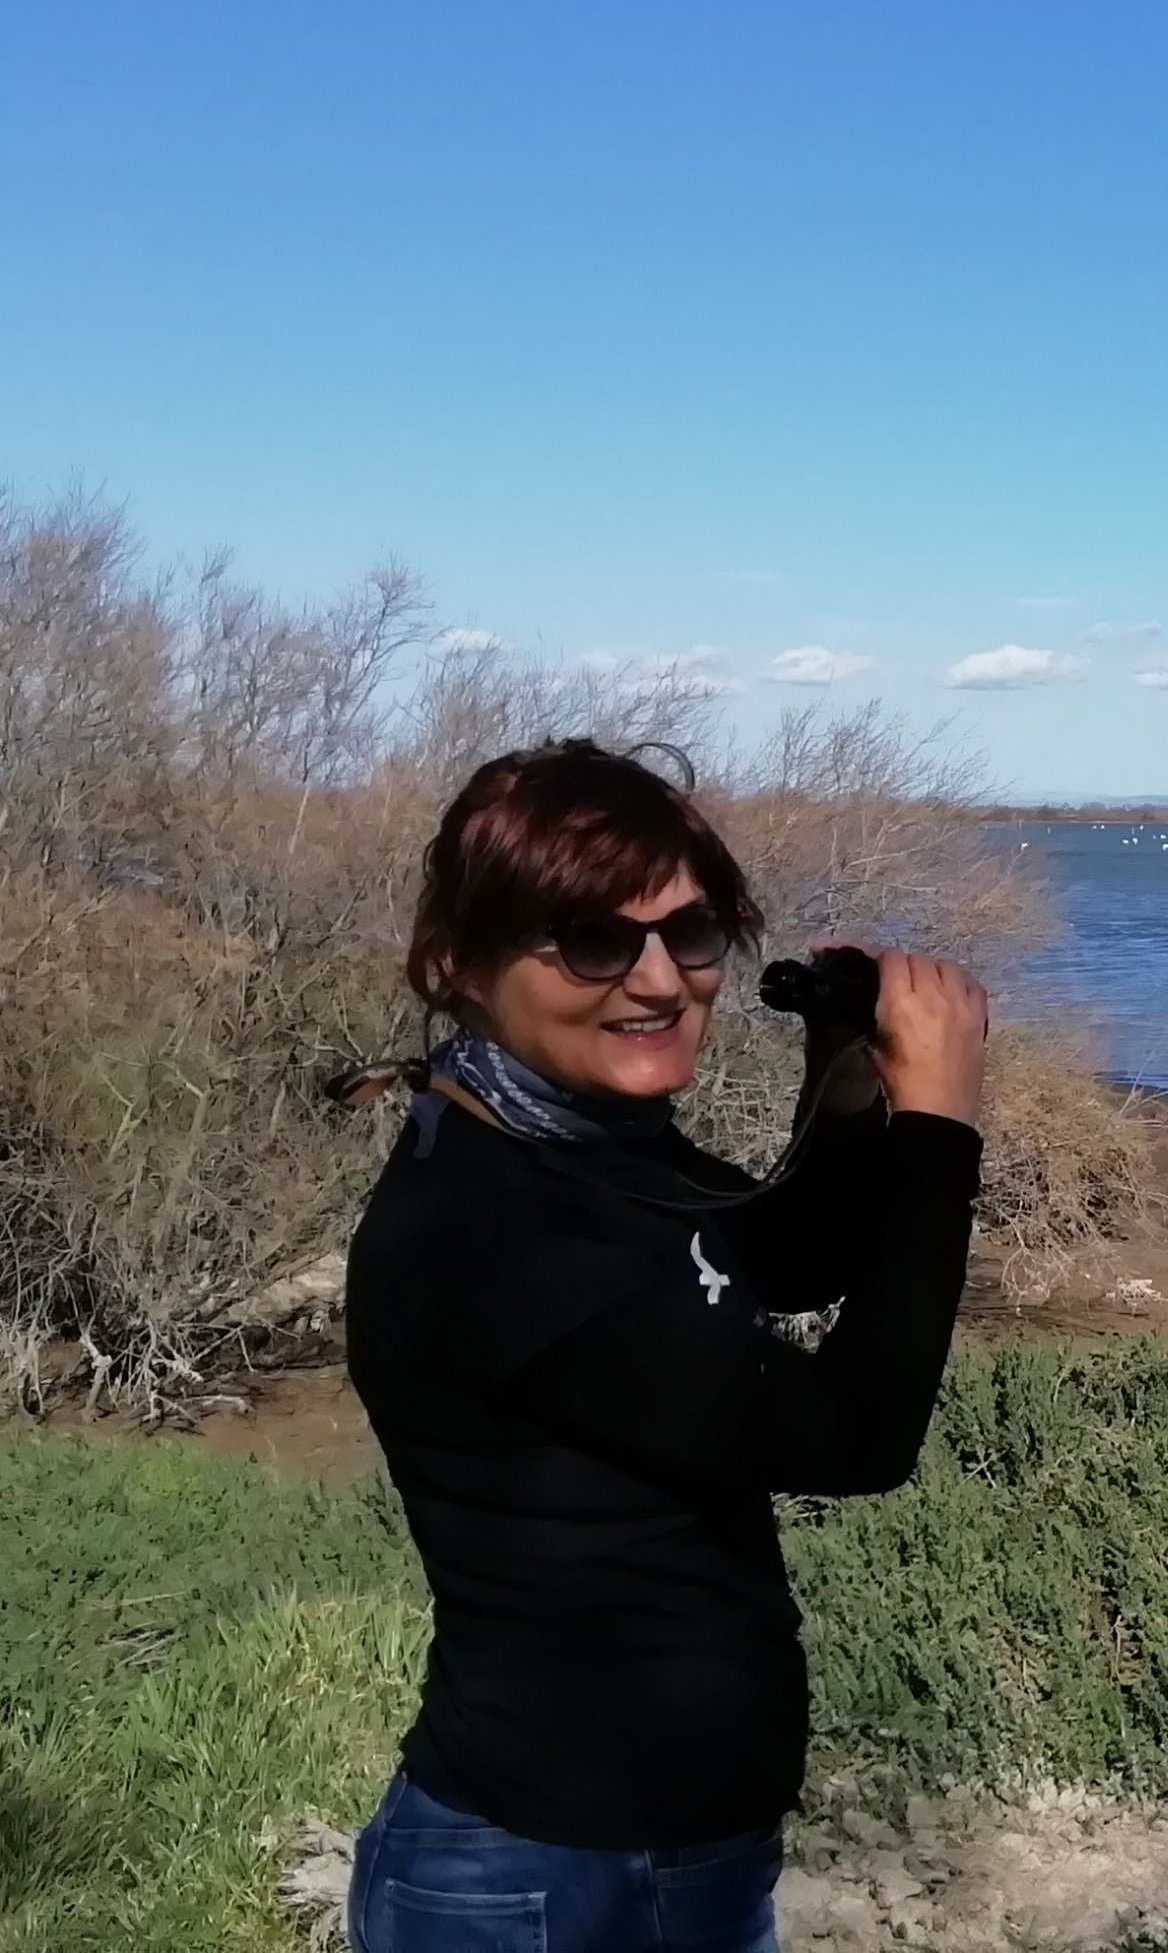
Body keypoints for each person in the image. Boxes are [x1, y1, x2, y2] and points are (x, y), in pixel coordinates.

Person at [342, 739, 987, 1953]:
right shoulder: (493, 1231)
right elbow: (857, 1434)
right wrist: (939, 1123)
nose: (658, 978)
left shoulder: (583, 1141)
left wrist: (848, 1065)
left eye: (688, 935)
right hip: (549, 1881)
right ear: (460, 963)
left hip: (659, 1861)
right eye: (592, 939)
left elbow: (777, 1255)